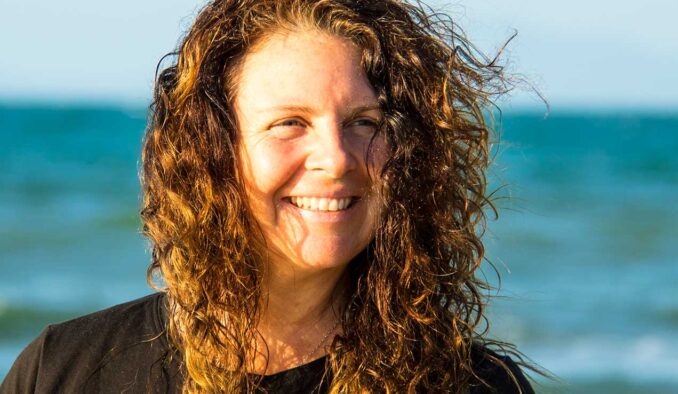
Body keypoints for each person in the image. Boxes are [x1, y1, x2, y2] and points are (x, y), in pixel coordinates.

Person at [1, 0, 536, 392]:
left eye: (363, 122)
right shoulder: (65, 371)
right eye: (289, 123)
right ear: (212, 152)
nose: (337, 157)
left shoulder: (473, 386)